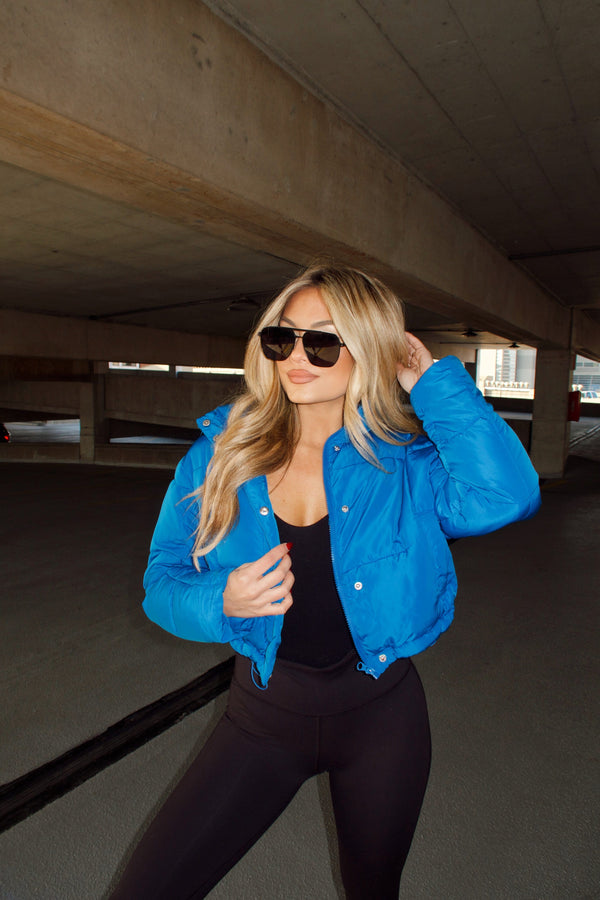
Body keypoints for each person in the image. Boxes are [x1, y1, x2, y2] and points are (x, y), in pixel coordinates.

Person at [110, 263, 541, 899]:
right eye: (282, 337)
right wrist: (220, 600)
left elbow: (508, 494)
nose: (296, 356)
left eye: (323, 341)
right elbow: (161, 581)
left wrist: (430, 381)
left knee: (373, 890)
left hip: (382, 721)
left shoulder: (406, 466)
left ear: (366, 349)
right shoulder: (219, 457)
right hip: (261, 719)